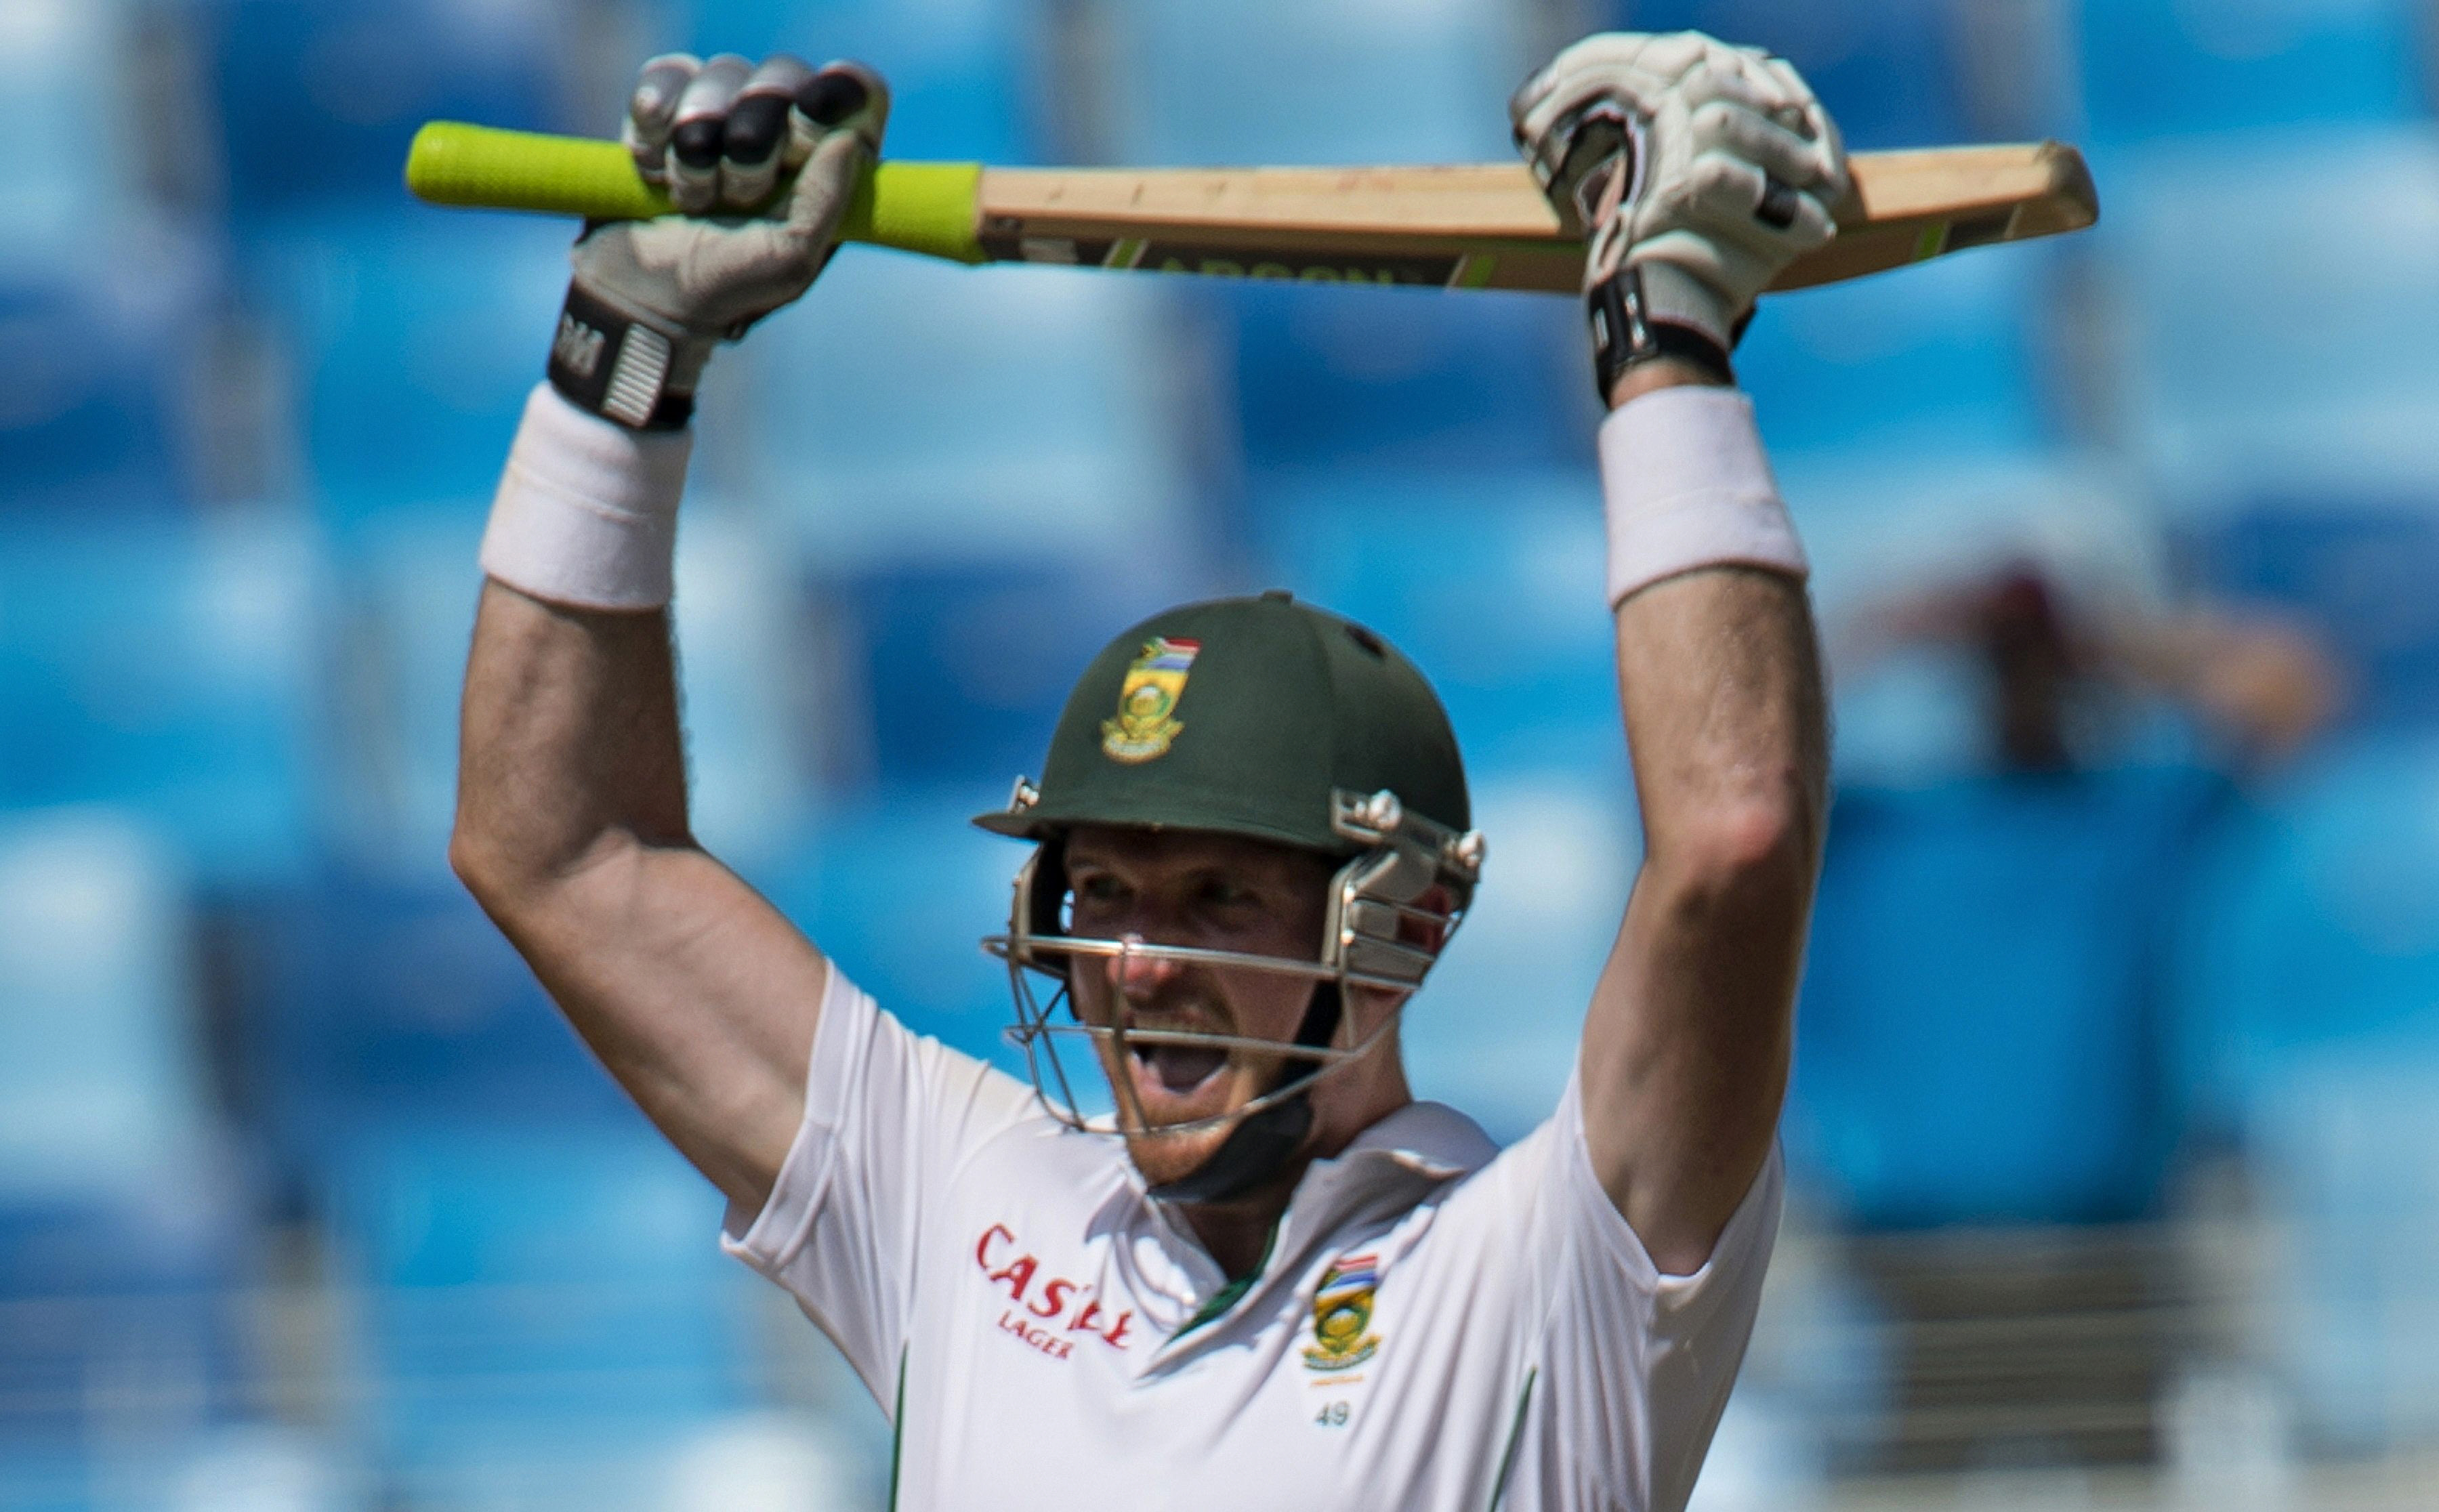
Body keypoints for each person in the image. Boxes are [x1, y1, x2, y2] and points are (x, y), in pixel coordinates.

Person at [452, 32, 1838, 1511]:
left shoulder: (1553, 1279)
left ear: (1409, 927)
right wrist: (622, 361)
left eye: (1218, 895)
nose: (1132, 963)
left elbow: (1733, 842)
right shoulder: (970, 1200)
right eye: (1101, 889)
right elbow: (562, 851)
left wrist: (1665, 333)